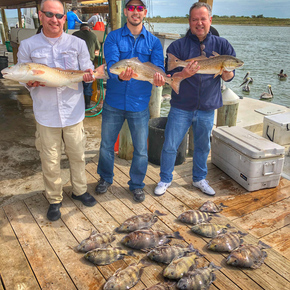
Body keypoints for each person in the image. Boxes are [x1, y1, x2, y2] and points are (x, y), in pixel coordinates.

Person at [17, 0, 97, 221]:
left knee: (77, 155)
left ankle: (80, 190)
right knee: (49, 159)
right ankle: (54, 199)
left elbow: (86, 65)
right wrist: (27, 83)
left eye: (59, 15)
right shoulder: (28, 45)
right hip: (45, 113)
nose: (55, 19)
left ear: (65, 18)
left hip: (73, 111)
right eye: (49, 14)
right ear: (40, 16)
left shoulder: (77, 43)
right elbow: (23, 73)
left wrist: (90, 73)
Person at [154, 2, 236, 197]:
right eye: (195, 19)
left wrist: (226, 74)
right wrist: (183, 73)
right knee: (170, 144)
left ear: (210, 20)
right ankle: (165, 179)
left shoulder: (222, 45)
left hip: (207, 107)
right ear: (189, 21)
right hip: (181, 106)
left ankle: (199, 178)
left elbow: (230, 75)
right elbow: (169, 77)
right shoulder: (177, 46)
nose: (199, 23)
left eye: (203, 19)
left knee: (202, 146)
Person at [95, 0, 166, 202]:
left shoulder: (153, 42)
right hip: (114, 103)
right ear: (126, 11)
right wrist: (119, 75)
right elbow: (111, 65)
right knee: (107, 145)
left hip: (139, 104)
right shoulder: (113, 37)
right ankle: (105, 178)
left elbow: (159, 67)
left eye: (140, 8)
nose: (136, 12)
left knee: (141, 150)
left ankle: (136, 185)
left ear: (144, 12)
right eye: (132, 8)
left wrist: (160, 78)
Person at [73, 23, 101, 109]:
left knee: (75, 85)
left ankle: (76, 105)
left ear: (80, 29)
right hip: (88, 63)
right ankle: (87, 105)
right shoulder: (93, 35)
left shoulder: (75, 34)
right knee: (88, 83)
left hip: (75, 64)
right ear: (89, 29)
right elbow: (97, 48)